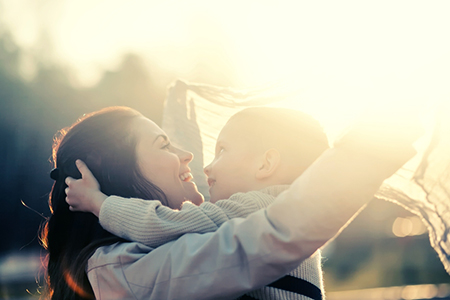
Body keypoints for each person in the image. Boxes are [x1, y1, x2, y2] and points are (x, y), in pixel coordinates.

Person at [42, 106, 420, 300]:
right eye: (164, 145)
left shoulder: (126, 264)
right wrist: (369, 150)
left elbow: (188, 230)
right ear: (119, 171)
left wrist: (100, 202)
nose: (190, 156)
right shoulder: (122, 270)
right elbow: (258, 243)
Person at [65, 107, 331, 300]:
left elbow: (164, 224)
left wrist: (99, 202)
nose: (203, 164)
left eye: (222, 151)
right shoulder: (284, 210)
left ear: (266, 164)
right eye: (165, 146)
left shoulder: (257, 208)